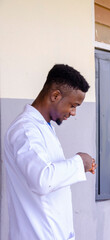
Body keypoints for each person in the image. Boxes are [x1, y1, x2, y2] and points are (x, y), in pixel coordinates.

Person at [4, 64, 96, 240]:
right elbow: (42, 180)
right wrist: (79, 162)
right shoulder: (25, 131)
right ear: (55, 95)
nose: (74, 112)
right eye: (73, 105)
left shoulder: (43, 127)